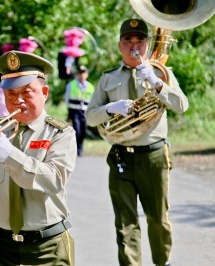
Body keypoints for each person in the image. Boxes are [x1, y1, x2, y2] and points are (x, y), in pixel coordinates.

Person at [0, 50, 77, 265]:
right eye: (11, 94)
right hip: (1, 245)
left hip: (46, 247)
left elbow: (55, 179)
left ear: (45, 92)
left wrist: (9, 155)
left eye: (27, 92)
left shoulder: (60, 133)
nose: (18, 100)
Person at [85, 19, 189, 266]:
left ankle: (163, 262)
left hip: (154, 155)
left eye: (139, 41)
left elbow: (182, 106)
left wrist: (157, 83)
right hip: (121, 154)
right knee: (125, 221)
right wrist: (110, 108)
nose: (134, 46)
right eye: (128, 41)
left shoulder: (162, 73)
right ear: (120, 45)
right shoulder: (108, 79)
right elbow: (90, 117)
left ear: (147, 43)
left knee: (158, 218)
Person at [65, 65, 94, 156]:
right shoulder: (71, 84)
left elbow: (92, 101)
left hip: (84, 112)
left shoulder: (90, 87)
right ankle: (76, 149)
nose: (81, 75)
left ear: (87, 74)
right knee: (77, 129)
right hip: (74, 111)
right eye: (79, 73)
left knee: (83, 130)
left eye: (83, 73)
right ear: (77, 74)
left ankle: (80, 147)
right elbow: (67, 98)